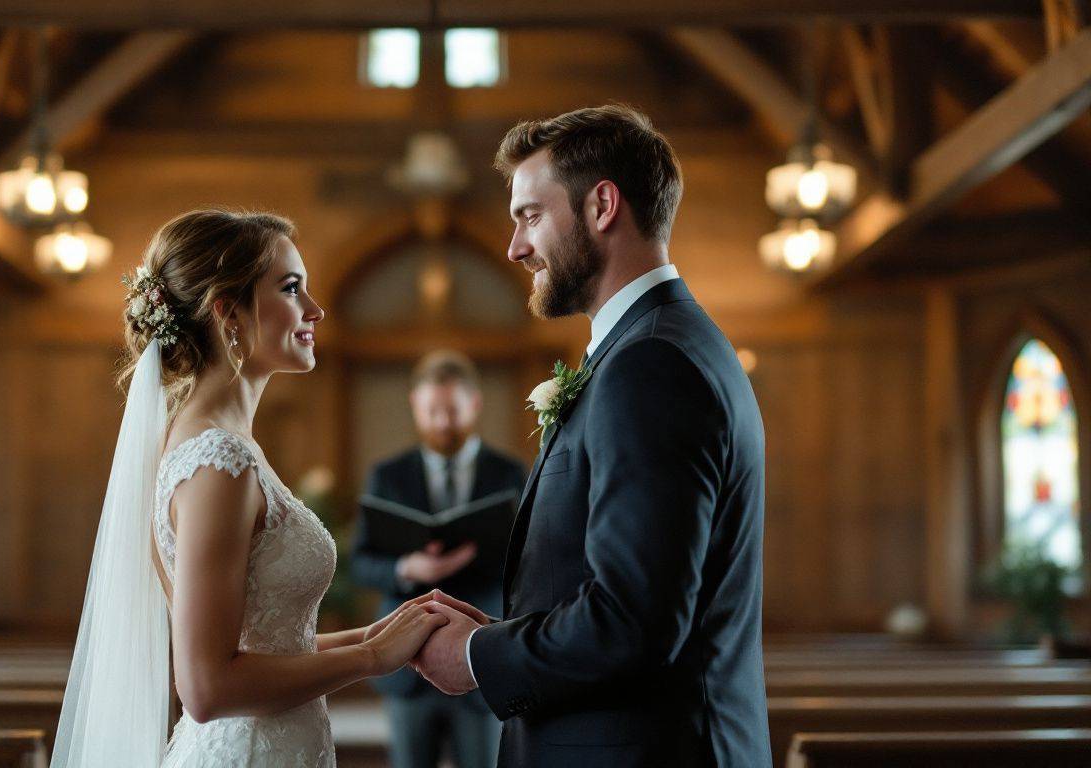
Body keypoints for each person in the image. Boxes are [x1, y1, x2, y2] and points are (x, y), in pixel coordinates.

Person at [411, 105, 773, 767]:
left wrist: (475, 656)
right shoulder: (665, 344)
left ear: (603, 204)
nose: (515, 247)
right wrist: (509, 634)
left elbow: (635, 619)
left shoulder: (650, 363)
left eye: (530, 216)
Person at [51, 209, 450, 768]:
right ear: (227, 312)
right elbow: (208, 687)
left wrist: (375, 633)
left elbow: (267, 648)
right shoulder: (219, 462)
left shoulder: (224, 444)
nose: (315, 310)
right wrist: (374, 657)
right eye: (291, 289)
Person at [351, 351, 526, 768]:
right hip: (405, 668)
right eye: (433, 411)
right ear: (415, 405)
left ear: (475, 404)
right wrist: (406, 569)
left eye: (453, 411)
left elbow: (529, 562)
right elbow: (360, 562)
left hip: (480, 659)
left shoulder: (511, 475)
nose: (444, 423)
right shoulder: (387, 475)